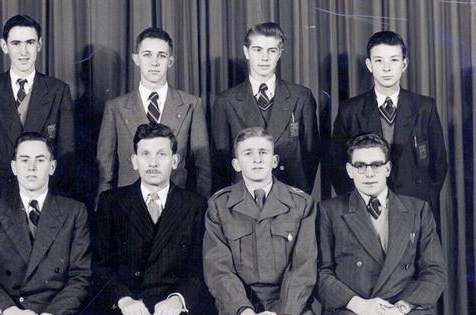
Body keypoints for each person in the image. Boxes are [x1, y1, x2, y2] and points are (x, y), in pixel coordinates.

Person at [318, 133, 447, 315]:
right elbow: (321, 273)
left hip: (403, 306)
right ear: (350, 170)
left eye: (376, 165)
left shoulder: (418, 210)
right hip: (352, 309)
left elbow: (435, 271)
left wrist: (402, 306)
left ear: (388, 168)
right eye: (361, 166)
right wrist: (360, 305)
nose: (369, 173)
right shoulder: (330, 211)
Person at [203, 127, 325, 315]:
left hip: (291, 304)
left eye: (263, 152)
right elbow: (218, 270)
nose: (257, 159)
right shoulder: (219, 205)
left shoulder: (301, 203)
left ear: (274, 160)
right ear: (236, 164)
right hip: (239, 305)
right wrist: (248, 314)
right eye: (248, 153)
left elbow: (304, 264)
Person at [0, 132, 91, 315]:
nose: (32, 167)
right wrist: (14, 313)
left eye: (40, 160)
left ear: (52, 166)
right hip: (8, 309)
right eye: (24, 160)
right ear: (14, 167)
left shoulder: (74, 211)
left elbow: (81, 278)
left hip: (55, 311)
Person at [96, 123, 206, 315]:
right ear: (134, 161)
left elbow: (199, 269)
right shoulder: (112, 202)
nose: (153, 162)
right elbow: (99, 266)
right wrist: (124, 300)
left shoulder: (193, 205)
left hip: (174, 306)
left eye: (161, 154)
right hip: (127, 307)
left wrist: (178, 299)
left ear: (175, 160)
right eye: (145, 154)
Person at [329, 31, 448, 224]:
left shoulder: (424, 107)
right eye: (378, 61)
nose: (386, 68)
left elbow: (439, 164)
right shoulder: (350, 110)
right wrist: (360, 200)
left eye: (393, 60)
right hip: (366, 207)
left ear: (404, 64)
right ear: (369, 65)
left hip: (414, 205)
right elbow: (336, 164)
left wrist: (423, 197)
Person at [96, 27, 211, 201]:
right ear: (136, 59)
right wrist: (103, 207)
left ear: (170, 61)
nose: (154, 63)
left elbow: (203, 168)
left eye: (162, 56)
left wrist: (203, 208)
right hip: (128, 205)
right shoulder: (116, 107)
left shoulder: (191, 104)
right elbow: (105, 169)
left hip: (177, 204)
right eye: (147, 55)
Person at [0, 14, 74, 200]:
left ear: (39, 45)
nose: (24, 52)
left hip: (45, 193)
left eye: (30, 43)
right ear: (4, 46)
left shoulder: (58, 90)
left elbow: (66, 151)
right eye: (16, 43)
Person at [211, 22, 320, 193]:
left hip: (290, 193)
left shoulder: (301, 96)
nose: (265, 58)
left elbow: (311, 152)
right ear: (246, 52)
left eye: (272, 51)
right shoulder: (226, 101)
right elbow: (221, 159)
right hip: (243, 197)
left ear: (280, 54)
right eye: (258, 50)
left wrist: (300, 192)